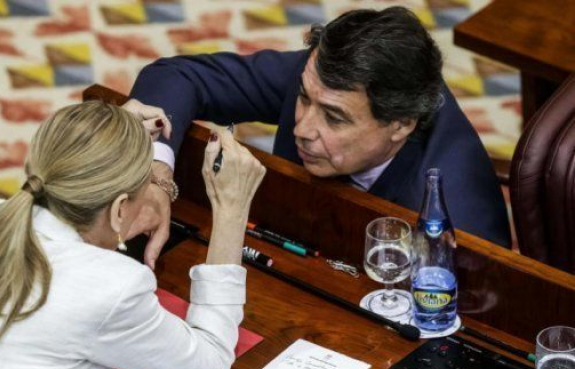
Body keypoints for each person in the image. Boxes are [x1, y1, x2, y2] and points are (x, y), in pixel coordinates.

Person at [0, 101, 266, 369]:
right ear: (119, 210)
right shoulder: (113, 287)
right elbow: (211, 359)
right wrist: (232, 210)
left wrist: (102, 138)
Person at [124, 6, 511, 261]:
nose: (303, 129)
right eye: (304, 99)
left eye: (335, 118)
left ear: (401, 124)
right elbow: (177, 77)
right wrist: (157, 174)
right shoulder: (322, 78)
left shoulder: (457, 217)